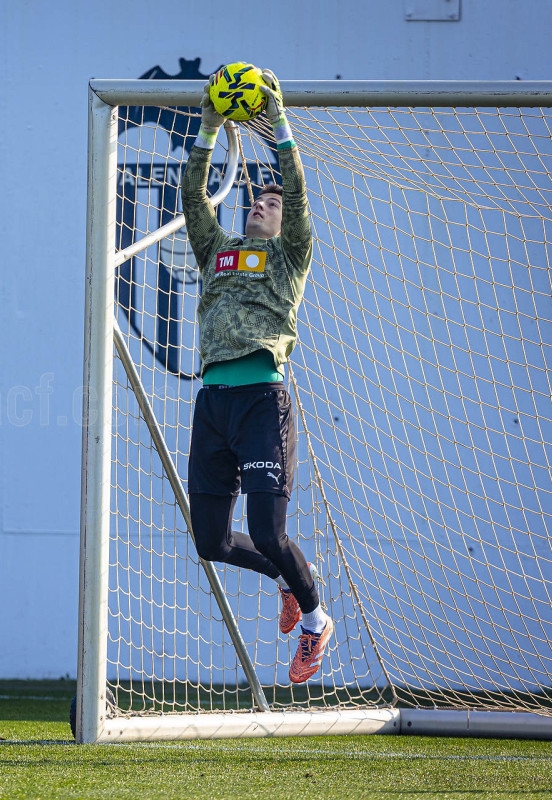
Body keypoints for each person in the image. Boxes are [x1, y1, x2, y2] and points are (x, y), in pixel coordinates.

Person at [181, 71, 332, 683]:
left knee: (268, 531)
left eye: (270, 204)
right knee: (210, 543)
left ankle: (318, 624)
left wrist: (276, 120)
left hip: (262, 400)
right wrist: (211, 125)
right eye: (255, 200)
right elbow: (193, 194)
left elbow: (294, 190)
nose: (260, 205)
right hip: (213, 400)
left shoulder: (290, 254)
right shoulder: (217, 248)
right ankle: (286, 580)